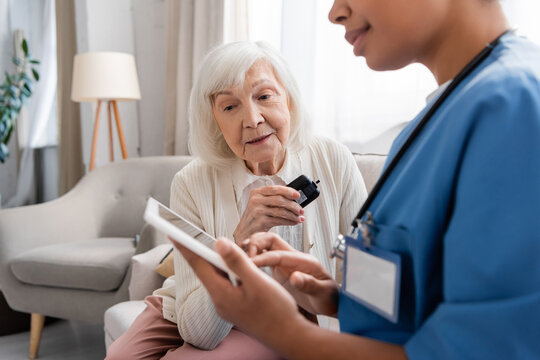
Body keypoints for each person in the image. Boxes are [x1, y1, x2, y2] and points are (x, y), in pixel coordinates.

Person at [176, 0, 540, 359]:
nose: (334, 12)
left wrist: (288, 334)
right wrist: (338, 298)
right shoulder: (430, 123)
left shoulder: (511, 107)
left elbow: (488, 347)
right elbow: (425, 295)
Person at [105, 41, 367, 359]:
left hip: (274, 311)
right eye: (230, 107)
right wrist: (239, 241)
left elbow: (364, 274)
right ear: (214, 120)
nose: (252, 119)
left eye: (264, 96)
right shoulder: (190, 182)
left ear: (290, 99)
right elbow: (198, 329)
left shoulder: (332, 159)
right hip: (190, 304)